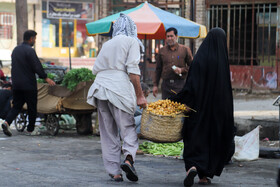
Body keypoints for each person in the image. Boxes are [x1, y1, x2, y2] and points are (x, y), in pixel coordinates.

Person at [169, 28, 235, 187]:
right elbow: (227, 91)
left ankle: (192, 166)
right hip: (217, 113)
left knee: (194, 137)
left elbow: (191, 86)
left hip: (197, 111)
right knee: (212, 140)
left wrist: (178, 100)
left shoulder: (199, 59)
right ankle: (204, 176)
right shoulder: (222, 61)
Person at [87, 13, 147, 182]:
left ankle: (114, 171)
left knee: (108, 132)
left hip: (100, 87)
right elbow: (133, 71)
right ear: (131, 28)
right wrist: (140, 96)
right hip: (118, 87)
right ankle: (129, 159)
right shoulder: (131, 42)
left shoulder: (107, 44)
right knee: (127, 127)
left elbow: (96, 69)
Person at [1, 30, 55, 137]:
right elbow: (37, 66)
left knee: (16, 106)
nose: (34, 41)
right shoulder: (30, 51)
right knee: (32, 107)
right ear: (30, 39)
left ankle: (7, 122)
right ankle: (30, 130)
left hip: (16, 84)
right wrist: (46, 78)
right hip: (28, 85)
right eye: (34, 39)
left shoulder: (16, 50)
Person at [153, 27, 193, 99]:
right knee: (166, 108)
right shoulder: (162, 51)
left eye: (171, 36)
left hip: (180, 84)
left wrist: (182, 70)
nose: (169, 38)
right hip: (166, 85)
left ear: (176, 36)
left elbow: (192, 67)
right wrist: (155, 85)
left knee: (179, 107)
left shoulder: (185, 49)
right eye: (168, 36)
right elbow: (158, 69)